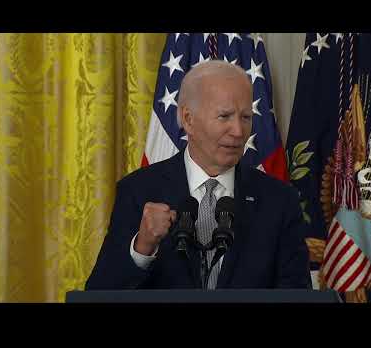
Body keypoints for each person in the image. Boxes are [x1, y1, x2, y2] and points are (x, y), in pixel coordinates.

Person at [85, 60, 310, 290]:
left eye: (245, 117)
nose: (238, 131)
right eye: (225, 116)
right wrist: (143, 246)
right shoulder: (138, 191)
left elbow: (298, 294)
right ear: (188, 119)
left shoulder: (280, 201)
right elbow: (100, 293)